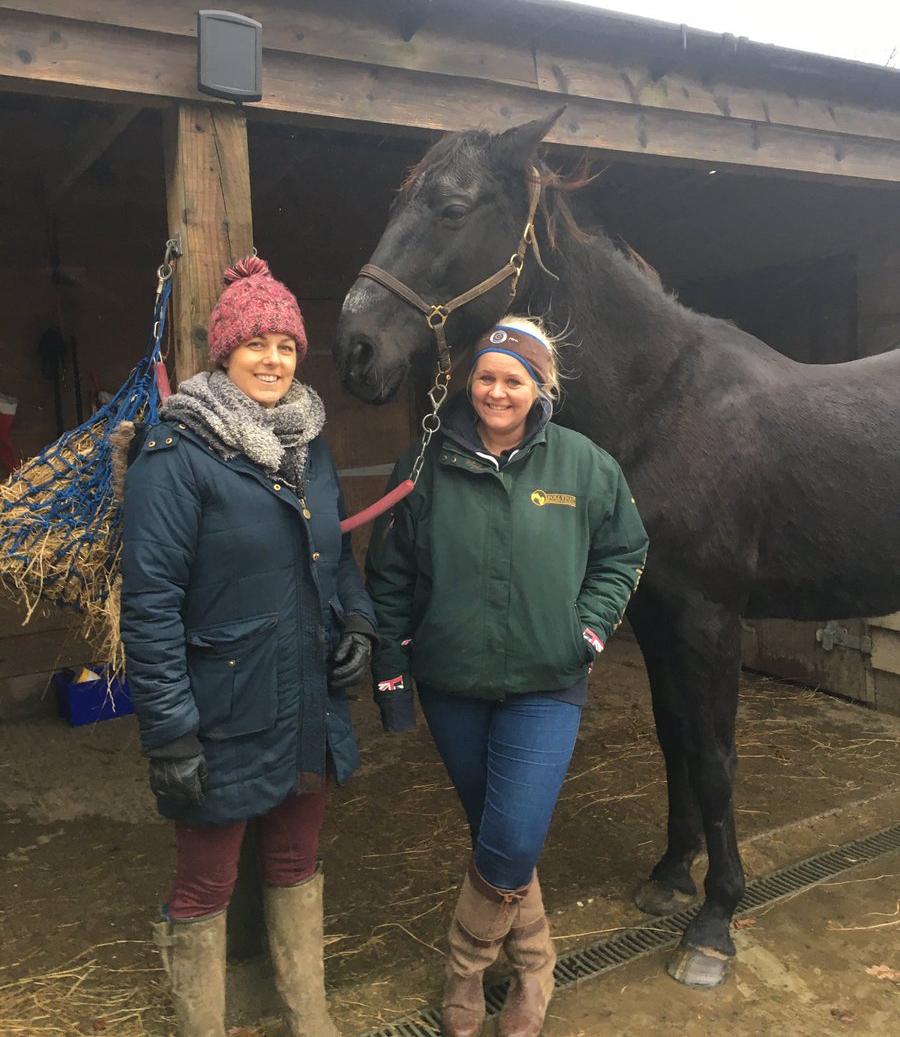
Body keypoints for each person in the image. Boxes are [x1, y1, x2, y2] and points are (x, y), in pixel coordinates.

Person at [365, 316, 648, 1037]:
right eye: (486, 376)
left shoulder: (583, 465)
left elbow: (624, 550)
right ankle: (534, 966)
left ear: (540, 387)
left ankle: (464, 969)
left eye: (514, 380)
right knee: (498, 834)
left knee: (513, 836)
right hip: (452, 681)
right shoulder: (424, 463)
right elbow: (390, 576)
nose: (497, 391)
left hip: (547, 679)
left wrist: (588, 629)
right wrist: (391, 677)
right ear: (470, 381)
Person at [119, 256, 375, 1037]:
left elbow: (337, 554)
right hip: (223, 708)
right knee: (207, 884)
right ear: (224, 352)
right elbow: (150, 604)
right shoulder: (177, 454)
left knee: (296, 860)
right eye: (256, 343)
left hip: (306, 696)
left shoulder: (310, 443)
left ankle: (309, 1018)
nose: (272, 360)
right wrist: (170, 732)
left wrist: (358, 621)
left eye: (286, 346)